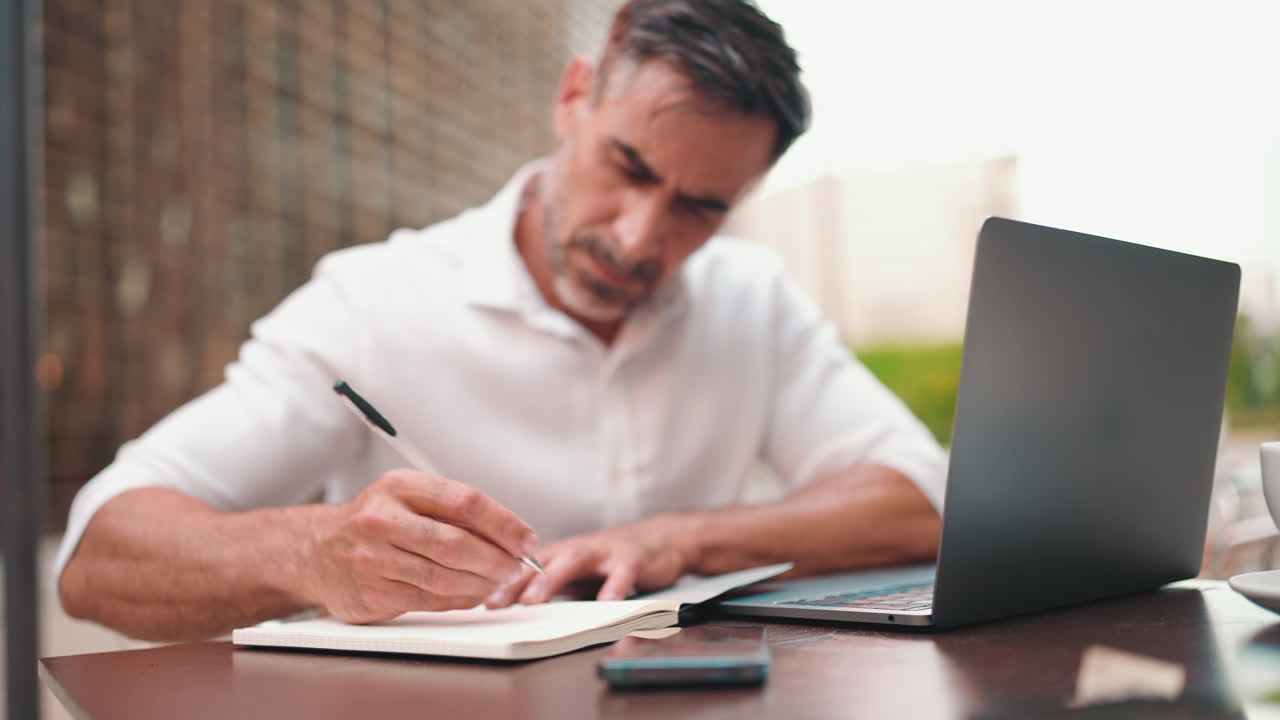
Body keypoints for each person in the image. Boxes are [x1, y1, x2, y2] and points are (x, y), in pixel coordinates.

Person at [57, 0, 947, 642]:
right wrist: (312, 551)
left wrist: (680, 539)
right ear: (574, 99)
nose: (640, 238)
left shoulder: (753, 300)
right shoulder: (372, 300)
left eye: (701, 208)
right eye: (628, 166)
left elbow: (925, 498)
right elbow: (99, 553)